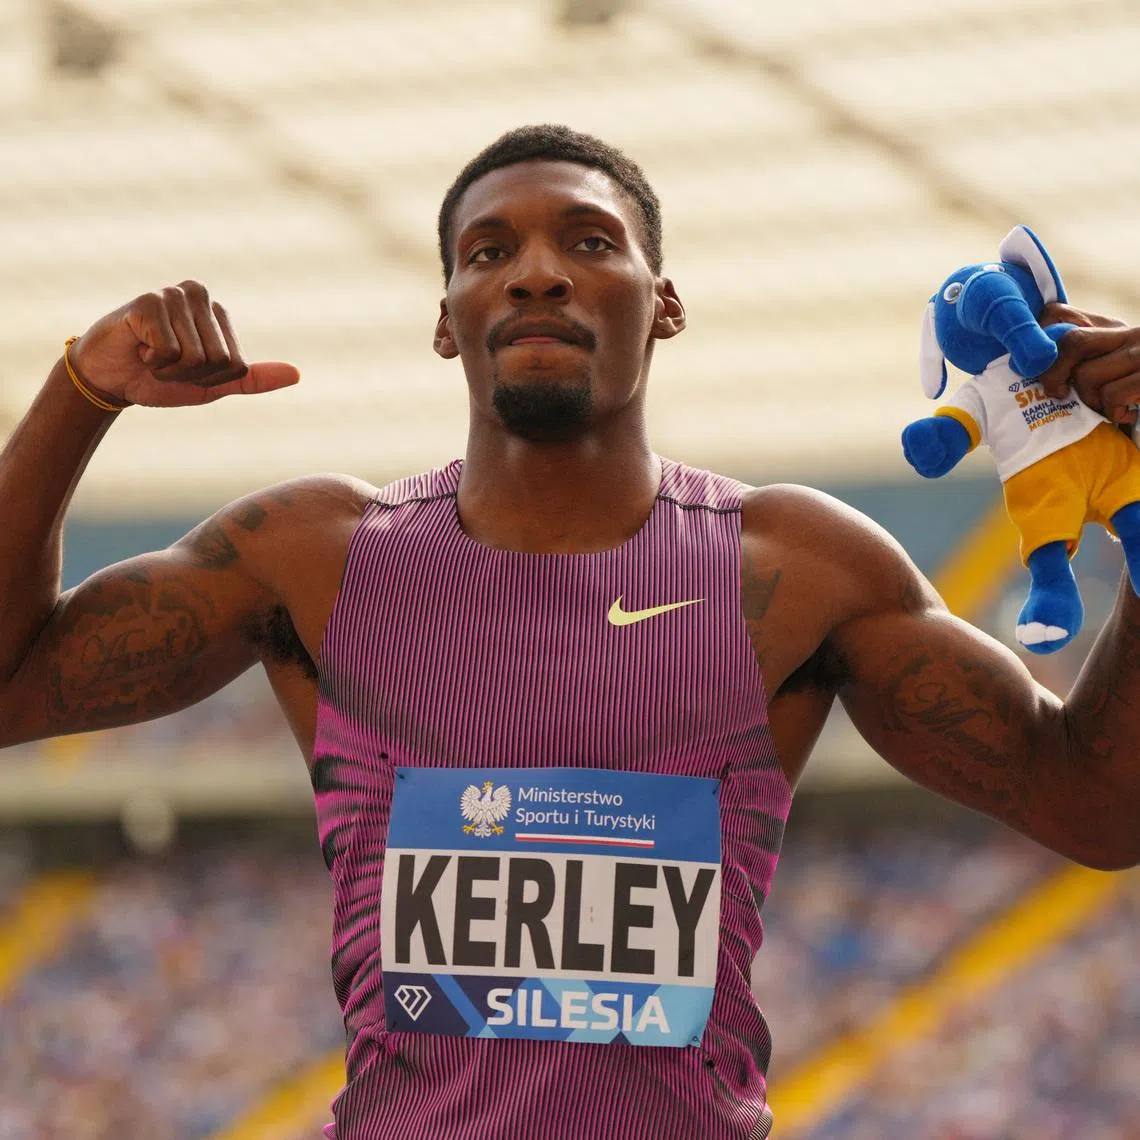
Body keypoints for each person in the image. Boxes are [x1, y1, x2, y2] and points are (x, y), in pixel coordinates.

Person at [1, 124, 1138, 1140]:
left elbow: (1094, 807)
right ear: (447, 320)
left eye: (590, 242)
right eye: (488, 252)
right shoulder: (311, 554)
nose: (537, 271)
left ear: (666, 301)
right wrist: (80, 393)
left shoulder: (799, 570)